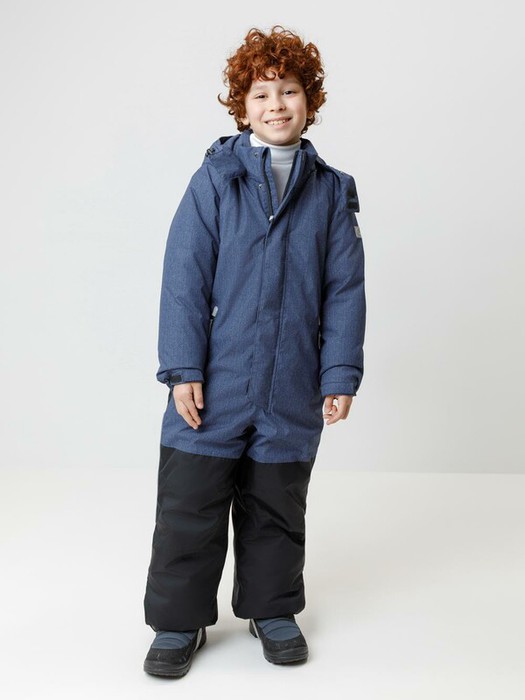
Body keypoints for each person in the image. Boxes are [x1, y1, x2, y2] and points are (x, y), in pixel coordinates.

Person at [143, 24, 366, 678]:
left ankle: (272, 609)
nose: (276, 105)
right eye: (261, 94)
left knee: (277, 506)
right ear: (241, 107)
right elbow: (183, 278)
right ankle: (178, 621)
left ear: (309, 100)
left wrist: (339, 372)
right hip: (215, 382)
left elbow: (344, 289)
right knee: (190, 507)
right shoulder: (215, 181)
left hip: (291, 381)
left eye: (288, 90)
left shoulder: (330, 192)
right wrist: (182, 368)